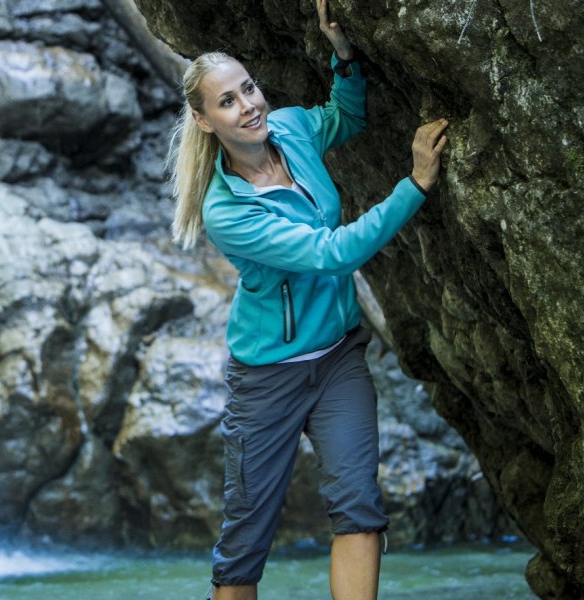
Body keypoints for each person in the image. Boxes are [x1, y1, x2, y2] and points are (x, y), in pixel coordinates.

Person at [167, 1, 449, 599]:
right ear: (203, 120)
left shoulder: (288, 128)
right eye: (228, 101)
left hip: (338, 357)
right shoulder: (228, 211)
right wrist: (416, 184)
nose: (249, 106)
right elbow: (332, 253)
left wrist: (342, 55)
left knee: (360, 509)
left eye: (249, 89)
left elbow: (342, 118)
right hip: (267, 377)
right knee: (243, 546)